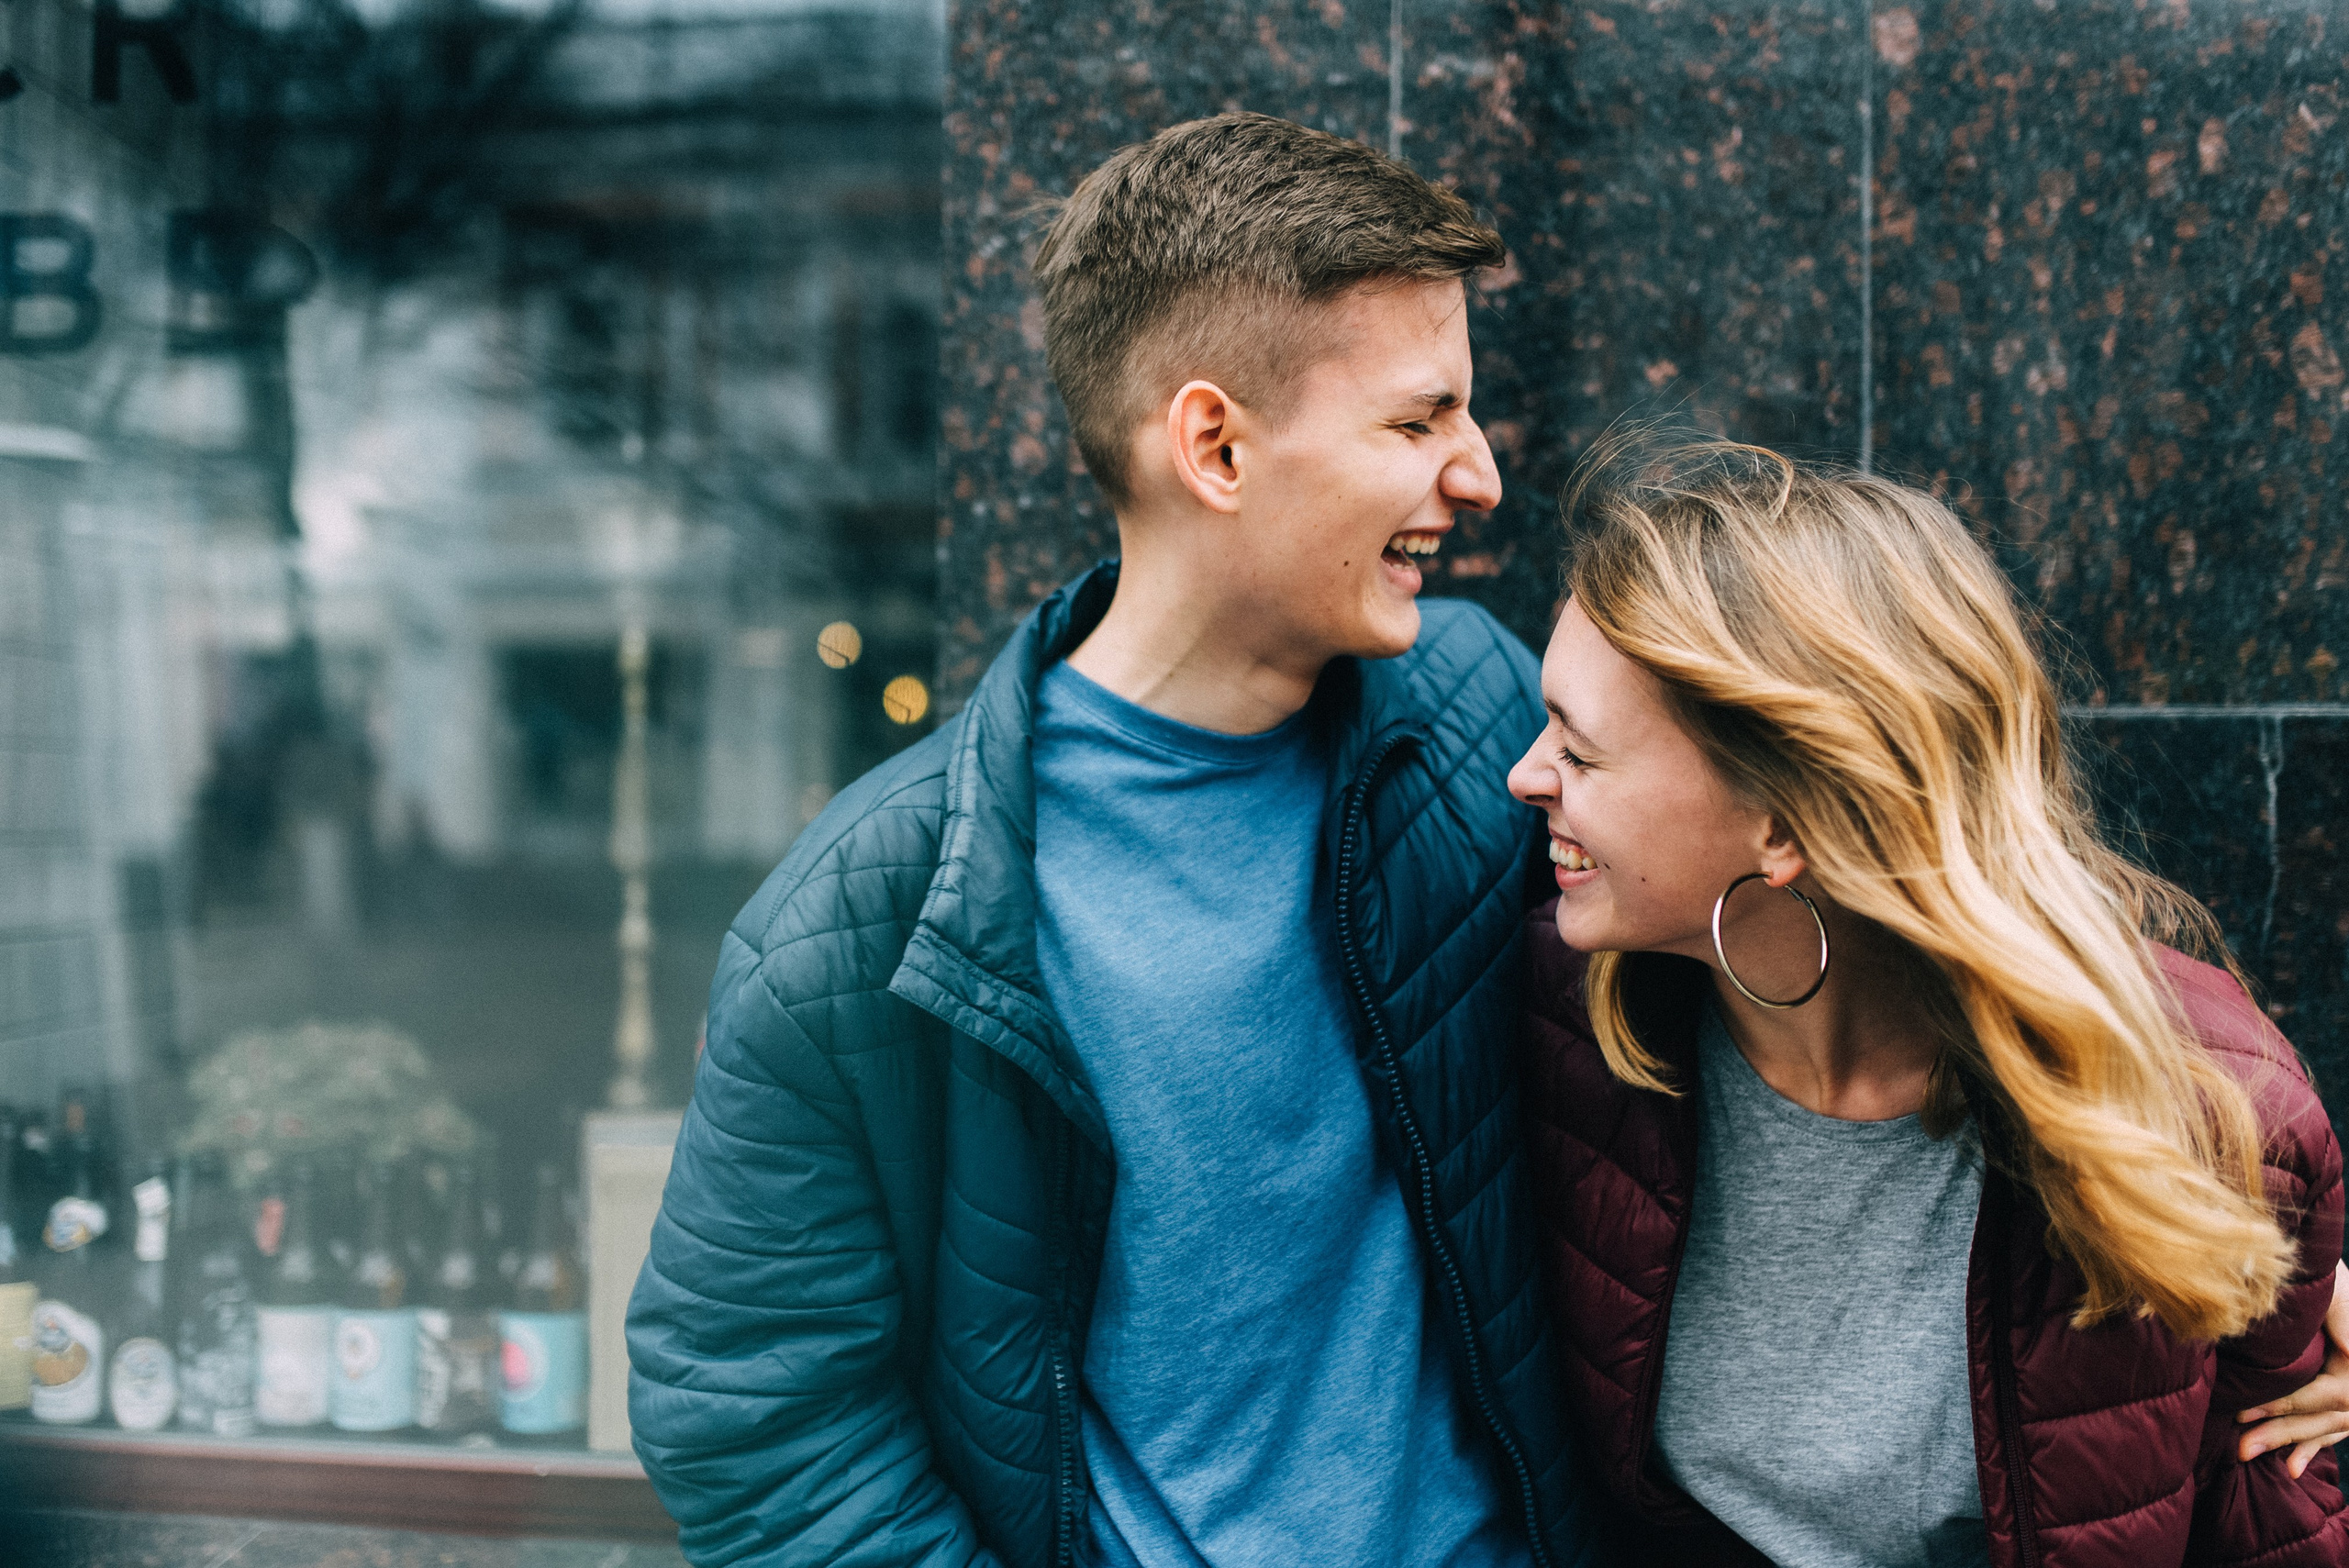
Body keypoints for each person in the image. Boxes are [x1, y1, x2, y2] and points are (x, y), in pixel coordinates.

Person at [626, 113, 1599, 1568]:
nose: (1479, 478)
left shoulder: (1486, 717)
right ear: (1215, 445)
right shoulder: (861, 920)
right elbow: (753, 1414)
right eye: (1418, 422)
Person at [1507, 440, 2349, 1566]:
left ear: (1786, 821)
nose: (1525, 774)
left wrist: (2281, 1275)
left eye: (1580, 749)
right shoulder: (1571, 1018)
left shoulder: (2211, 1115)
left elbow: (2264, 1518)